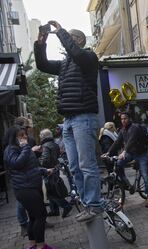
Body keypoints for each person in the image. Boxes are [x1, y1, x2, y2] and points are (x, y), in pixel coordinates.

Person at [34, 21, 102, 222]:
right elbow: (42, 65)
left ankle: (94, 205)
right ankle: (86, 202)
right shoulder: (64, 66)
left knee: (86, 164)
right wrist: (41, 42)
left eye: (70, 37)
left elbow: (77, 54)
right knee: (73, 167)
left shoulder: (89, 57)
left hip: (84, 118)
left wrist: (61, 31)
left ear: (79, 40)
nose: (66, 40)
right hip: (68, 121)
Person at [3, 126, 60, 249]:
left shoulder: (18, 149)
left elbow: (28, 169)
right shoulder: (11, 149)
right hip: (25, 189)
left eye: (25, 135)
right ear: (13, 137)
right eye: (20, 136)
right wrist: (26, 148)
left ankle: (32, 245)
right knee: (41, 215)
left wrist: (44, 171)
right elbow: (17, 164)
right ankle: (40, 248)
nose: (24, 138)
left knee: (33, 217)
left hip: (30, 186)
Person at [107, 112, 148, 207]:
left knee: (145, 175)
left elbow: (131, 140)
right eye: (122, 119)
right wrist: (108, 152)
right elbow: (117, 142)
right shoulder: (122, 130)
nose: (123, 120)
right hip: (131, 153)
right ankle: (126, 183)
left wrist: (124, 152)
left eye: (125, 118)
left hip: (141, 154)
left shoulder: (135, 128)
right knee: (119, 163)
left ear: (129, 119)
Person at [38, 129, 72, 218]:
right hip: (55, 169)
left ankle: (66, 206)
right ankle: (54, 210)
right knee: (53, 189)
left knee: (51, 192)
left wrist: (38, 161)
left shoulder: (45, 146)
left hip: (48, 171)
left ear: (43, 137)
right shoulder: (55, 144)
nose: (40, 137)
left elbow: (45, 160)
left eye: (40, 136)